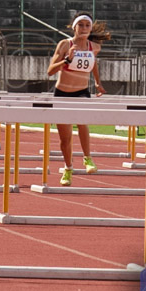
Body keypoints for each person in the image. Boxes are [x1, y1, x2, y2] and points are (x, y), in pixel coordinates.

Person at [45, 13, 110, 185]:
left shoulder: (94, 47)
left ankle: (87, 157)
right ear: (73, 27)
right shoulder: (65, 44)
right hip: (62, 94)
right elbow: (50, 71)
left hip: (81, 92)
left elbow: (93, 63)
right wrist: (67, 60)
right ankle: (68, 168)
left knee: (83, 123)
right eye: (80, 25)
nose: (83, 28)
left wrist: (97, 82)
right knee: (65, 138)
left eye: (87, 25)